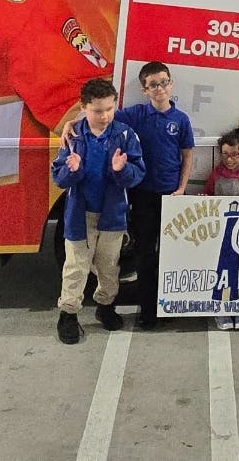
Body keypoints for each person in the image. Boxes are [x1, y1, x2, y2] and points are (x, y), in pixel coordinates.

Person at [51, 77, 144, 345]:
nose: (104, 116)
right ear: (84, 107)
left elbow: (137, 173)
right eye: (97, 110)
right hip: (80, 217)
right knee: (76, 268)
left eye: (109, 109)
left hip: (112, 216)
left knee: (108, 267)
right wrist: (73, 169)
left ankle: (105, 306)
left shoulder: (125, 135)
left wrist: (121, 170)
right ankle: (68, 315)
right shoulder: (73, 136)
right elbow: (59, 177)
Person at [114, 61, 196, 329]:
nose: (159, 88)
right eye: (153, 85)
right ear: (144, 89)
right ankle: (149, 311)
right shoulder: (136, 115)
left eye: (163, 82)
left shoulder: (181, 119)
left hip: (172, 196)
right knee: (146, 255)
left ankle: (172, 305)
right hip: (143, 196)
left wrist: (182, 189)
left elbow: (187, 156)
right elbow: (101, 116)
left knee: (174, 254)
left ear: (170, 84)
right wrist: (71, 124)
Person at [206, 126, 239, 331]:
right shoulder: (216, 175)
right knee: (223, 271)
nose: (230, 159)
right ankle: (222, 308)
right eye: (225, 154)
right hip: (222, 234)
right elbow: (208, 197)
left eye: (235, 154)